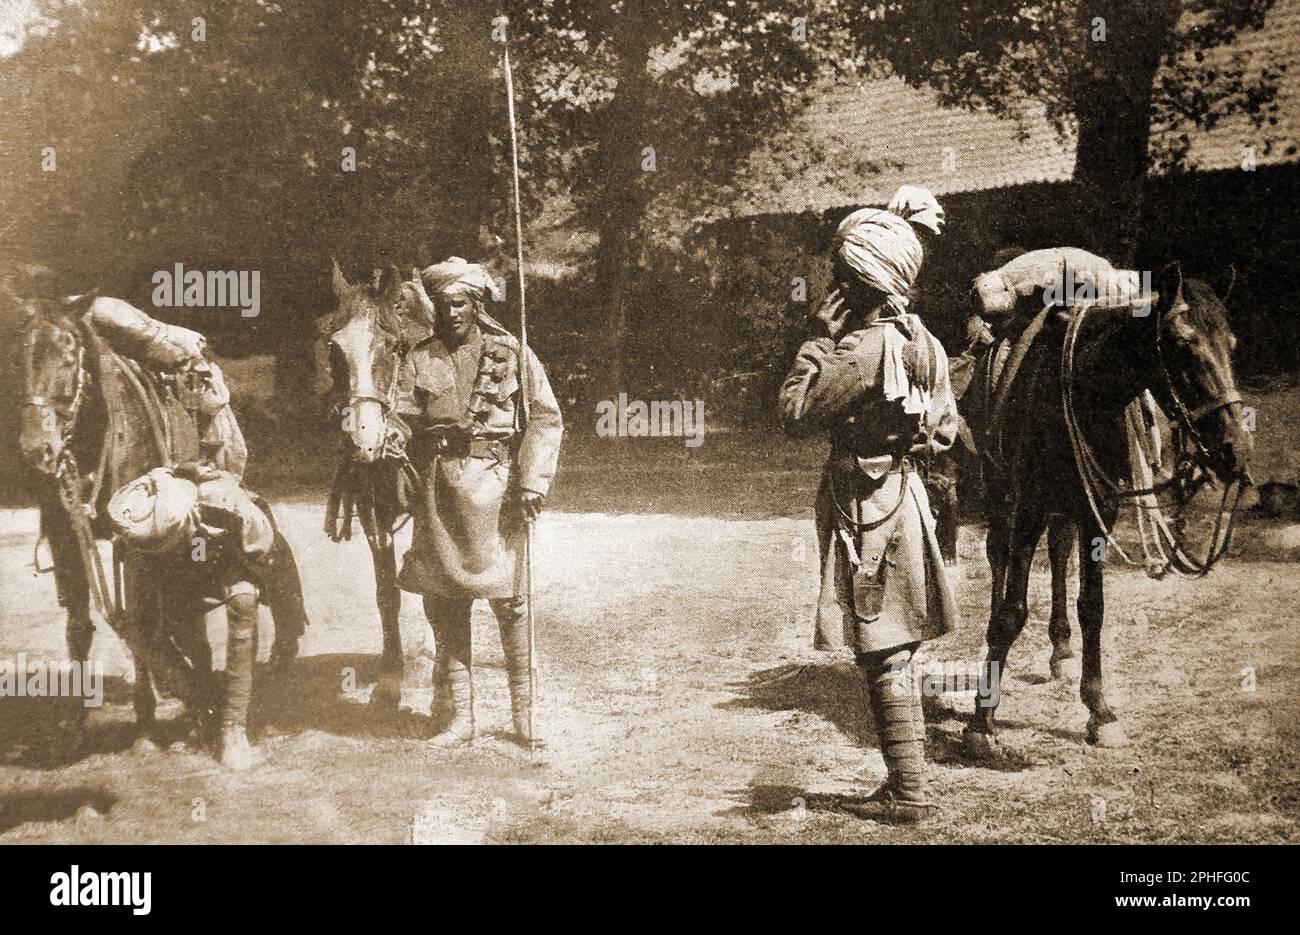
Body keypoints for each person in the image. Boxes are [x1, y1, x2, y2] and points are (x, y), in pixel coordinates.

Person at [779, 194, 959, 823]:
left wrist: (816, 339)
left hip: (865, 506)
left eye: (841, 277)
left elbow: (794, 411)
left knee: (880, 642)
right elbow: (945, 430)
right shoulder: (925, 342)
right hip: (906, 495)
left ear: (858, 280)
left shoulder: (859, 349)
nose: (834, 287)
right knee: (896, 643)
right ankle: (905, 784)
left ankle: (909, 793)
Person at [396, 258, 563, 747]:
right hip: (437, 491)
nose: (451, 313)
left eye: (460, 303)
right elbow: (402, 417)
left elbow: (546, 420)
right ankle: (458, 718)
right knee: (444, 603)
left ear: (477, 303)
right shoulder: (419, 359)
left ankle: (524, 716)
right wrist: (392, 435)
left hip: (499, 490)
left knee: (511, 603)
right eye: (443, 304)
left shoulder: (513, 353)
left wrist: (531, 485)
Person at [108, 462, 282, 768]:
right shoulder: (137, 527)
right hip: (165, 546)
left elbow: (257, 550)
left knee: (243, 601)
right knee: (138, 630)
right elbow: (136, 629)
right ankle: (204, 702)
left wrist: (248, 581)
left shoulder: (223, 508)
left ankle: (234, 729)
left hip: (217, 541)